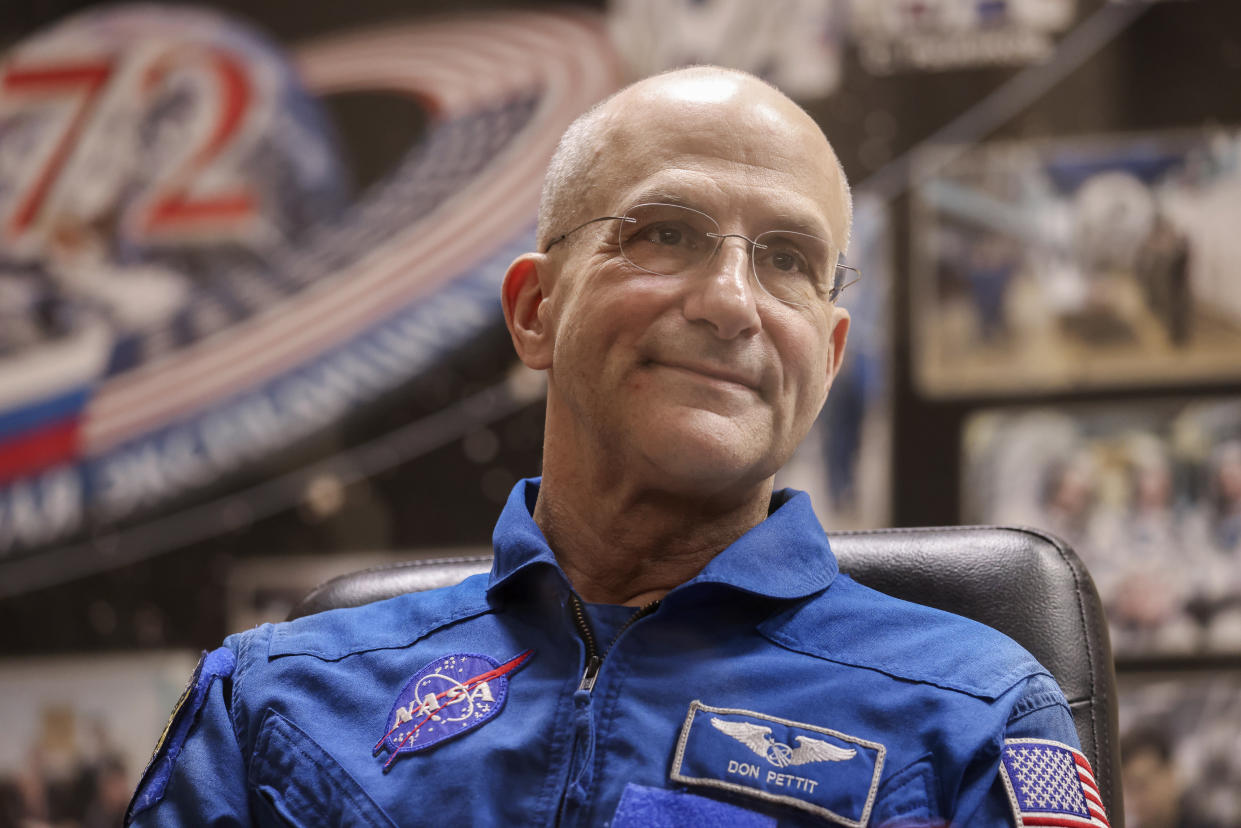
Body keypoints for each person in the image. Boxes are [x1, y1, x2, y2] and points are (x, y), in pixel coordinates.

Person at [126, 67, 1104, 827]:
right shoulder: (276, 702)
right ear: (534, 310)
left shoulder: (972, 717)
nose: (730, 303)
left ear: (829, 355)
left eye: (789, 261)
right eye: (666, 233)